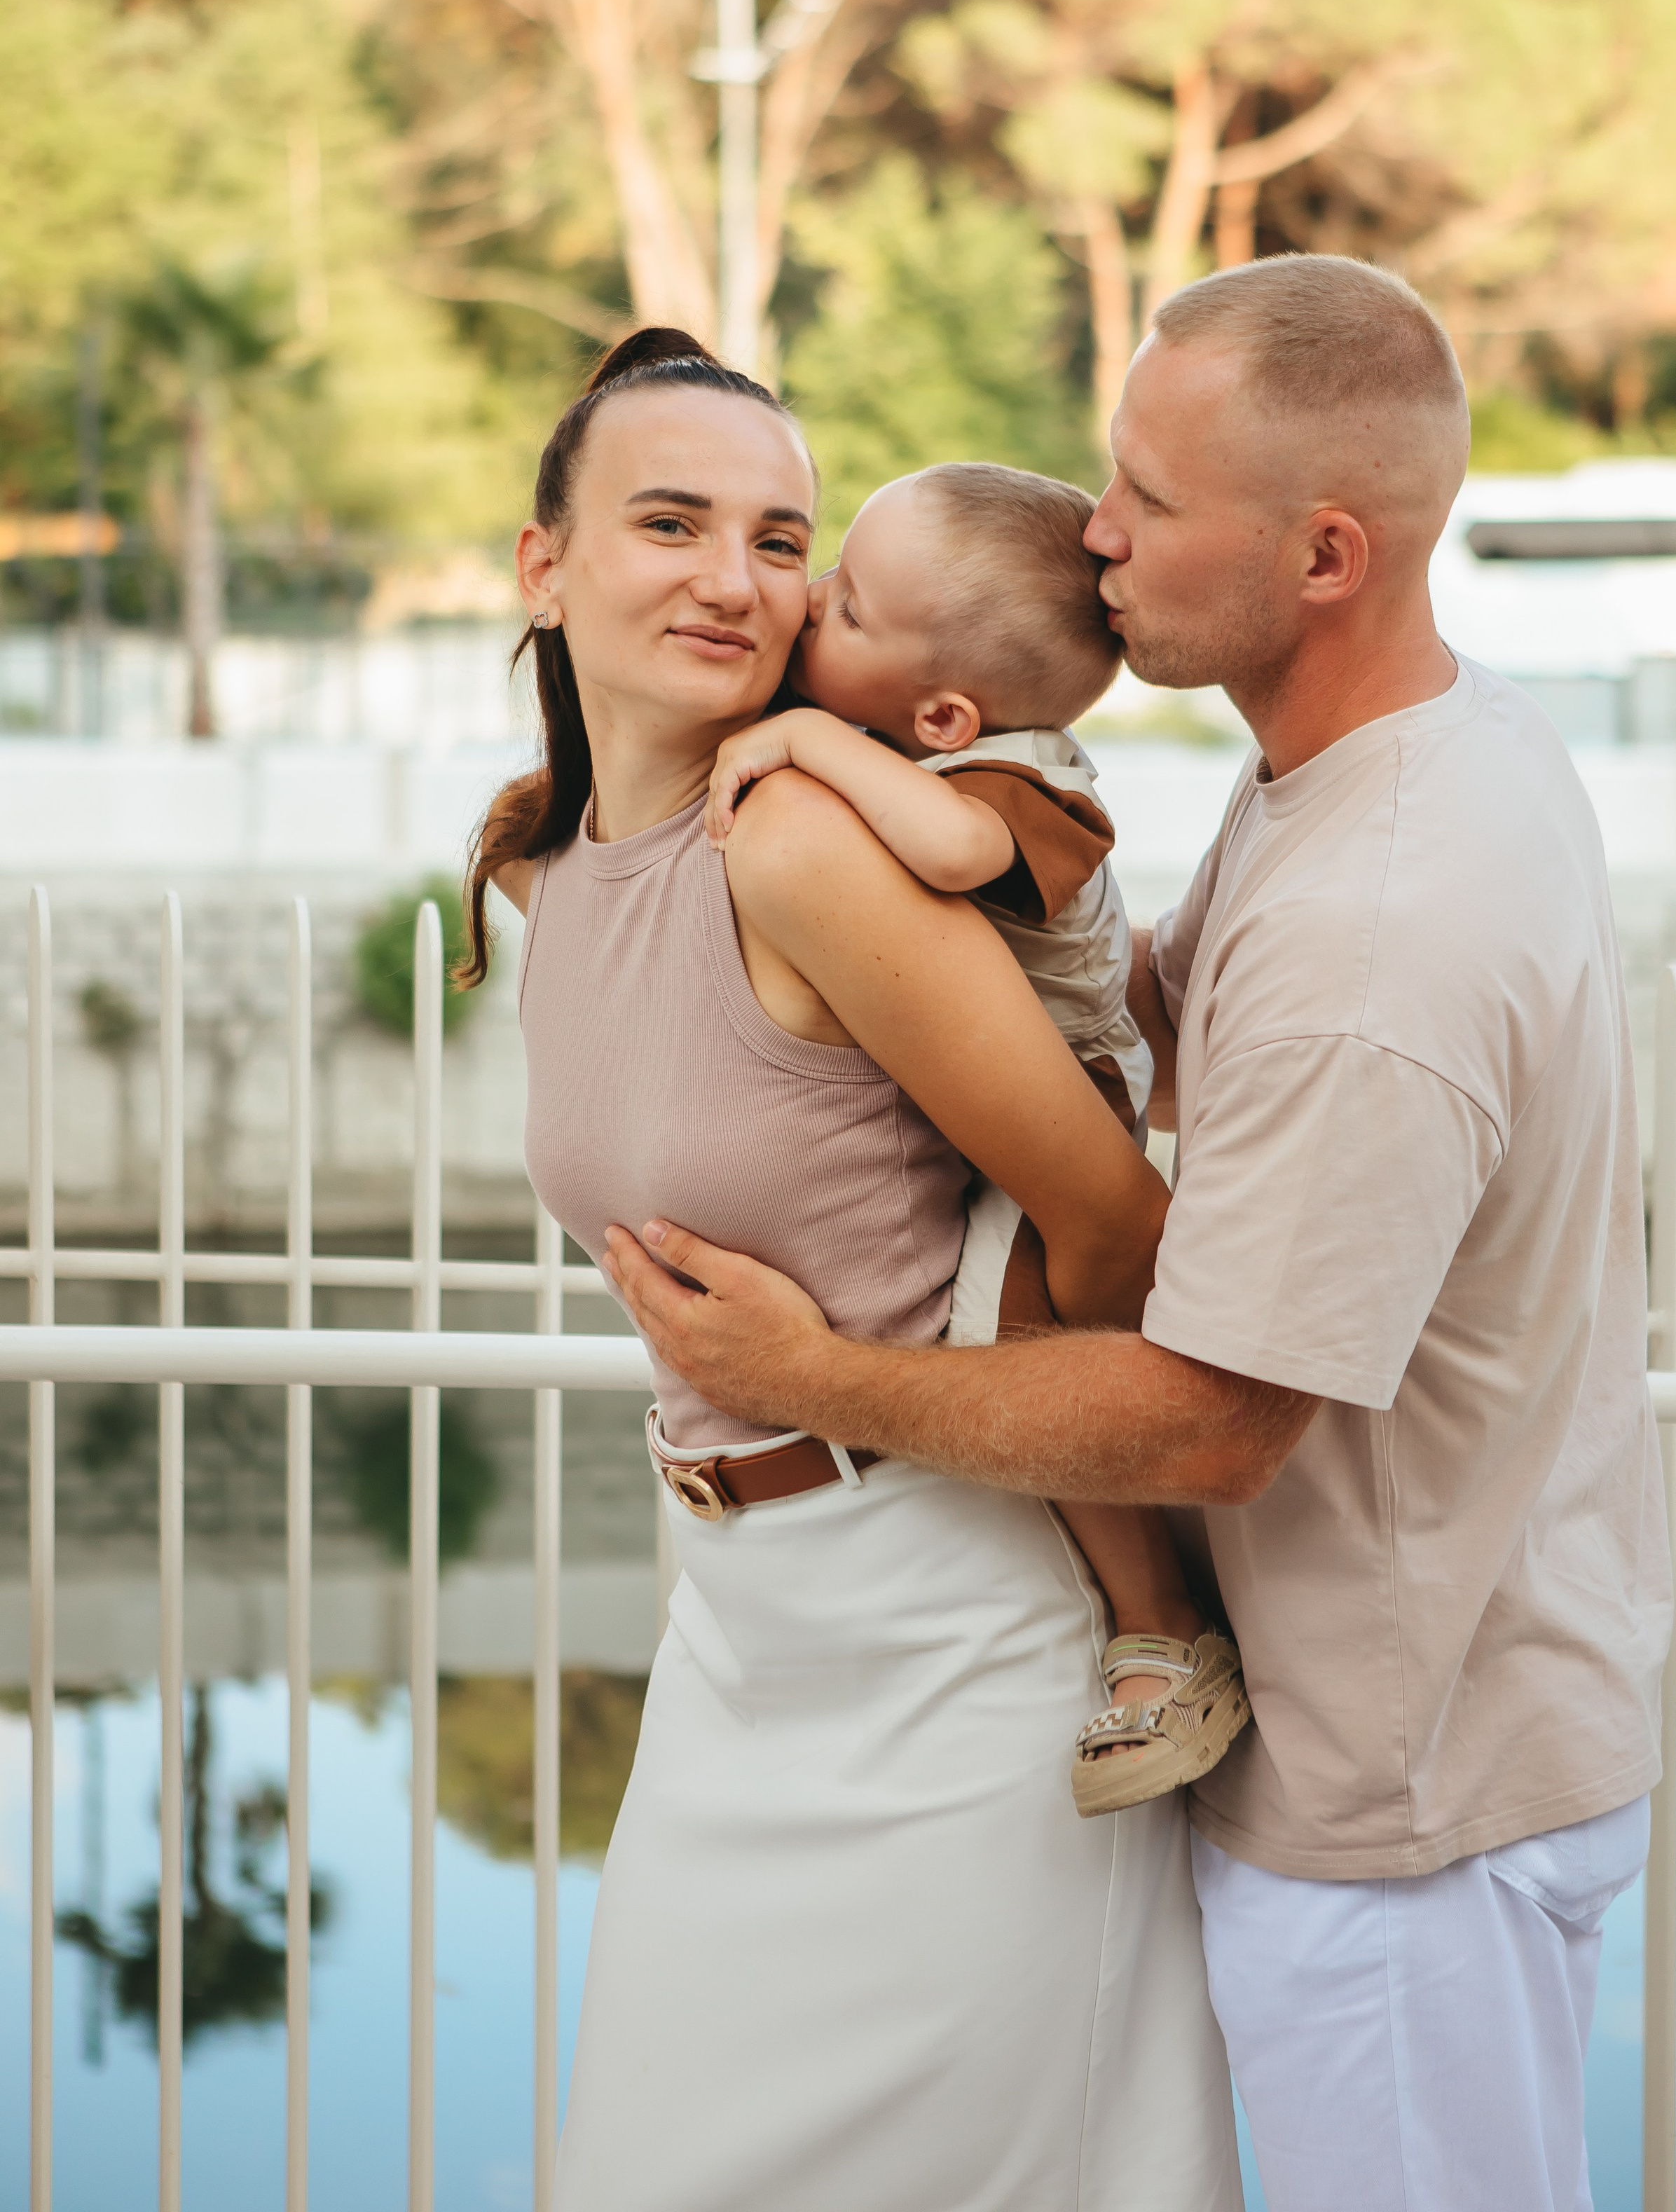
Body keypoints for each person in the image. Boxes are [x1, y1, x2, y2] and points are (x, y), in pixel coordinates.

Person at [603, 256, 1674, 2212]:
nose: (1095, 536)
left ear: (1324, 553)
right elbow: (1164, 1027)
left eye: (1151, 502)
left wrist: (819, 1381)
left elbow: (1215, 1425)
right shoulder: (1384, 764)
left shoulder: (1385, 923)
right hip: (1448, 1709)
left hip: (1402, 1797)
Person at [464, 327, 1242, 2212]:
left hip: (957, 1634)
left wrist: (840, 1384)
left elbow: (1115, 1222)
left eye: (778, 535)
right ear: (544, 564)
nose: (736, 579)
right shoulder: (543, 869)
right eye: (669, 522)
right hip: (745, 1637)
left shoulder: (806, 844)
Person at [703, 457, 1249, 1815]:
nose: (810, 601)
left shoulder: (1023, 782)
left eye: (845, 602)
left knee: (1026, 1350)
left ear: (942, 712)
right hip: (1004, 1082)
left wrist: (810, 740)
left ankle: (1164, 1634)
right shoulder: (926, 743)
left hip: (1080, 1099)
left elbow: (950, 856)